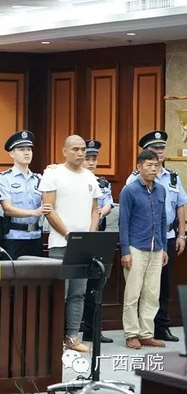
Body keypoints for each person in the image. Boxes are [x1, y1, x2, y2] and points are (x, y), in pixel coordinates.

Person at [38, 134, 101, 353]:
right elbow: (48, 209)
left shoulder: (90, 177)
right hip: (61, 243)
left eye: (83, 149)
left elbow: (95, 210)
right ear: (64, 151)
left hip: (83, 247)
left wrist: (90, 237)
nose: (80, 153)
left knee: (78, 293)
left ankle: (72, 337)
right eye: (75, 149)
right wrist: (68, 235)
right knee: (59, 292)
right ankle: (53, 337)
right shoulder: (53, 174)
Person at [126, 130, 187, 342]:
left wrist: (182, 235)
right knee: (137, 287)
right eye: (155, 148)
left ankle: (159, 328)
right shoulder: (133, 180)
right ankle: (134, 331)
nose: (159, 152)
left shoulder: (173, 178)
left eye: (162, 148)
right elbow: (127, 214)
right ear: (145, 153)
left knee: (161, 286)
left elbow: (180, 206)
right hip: (140, 239)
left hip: (166, 236)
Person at [120, 150, 168, 350]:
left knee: (152, 294)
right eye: (149, 165)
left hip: (156, 249)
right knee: (133, 293)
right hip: (136, 248)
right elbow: (123, 223)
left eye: (156, 165)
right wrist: (125, 251)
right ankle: (131, 334)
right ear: (139, 167)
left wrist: (164, 248)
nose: (153, 168)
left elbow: (163, 220)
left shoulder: (161, 190)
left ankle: (146, 334)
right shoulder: (129, 191)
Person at [80, 140, 114, 344]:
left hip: (97, 236)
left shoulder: (102, 183)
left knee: (95, 284)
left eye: (94, 159)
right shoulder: (72, 180)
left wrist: (101, 212)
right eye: (87, 158)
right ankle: (69, 330)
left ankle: (92, 330)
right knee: (74, 286)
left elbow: (108, 203)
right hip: (78, 236)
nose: (91, 163)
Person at [0, 131, 48, 259]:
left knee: (36, 271)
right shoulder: (5, 178)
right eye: (21, 149)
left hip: (36, 236)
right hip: (14, 237)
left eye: (29, 149)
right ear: (12, 153)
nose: (27, 153)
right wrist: (33, 213)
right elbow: (8, 209)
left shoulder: (39, 179)